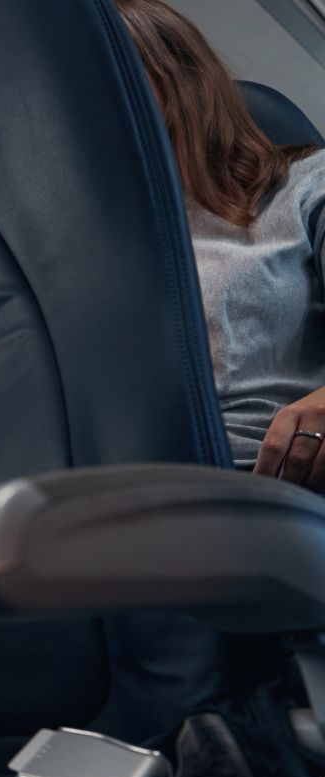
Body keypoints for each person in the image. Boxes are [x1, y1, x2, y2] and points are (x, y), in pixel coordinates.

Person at [115, 0, 324, 487]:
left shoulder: (306, 186)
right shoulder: (93, 250)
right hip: (118, 489)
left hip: (267, 479)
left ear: (173, 74)